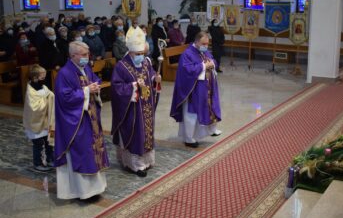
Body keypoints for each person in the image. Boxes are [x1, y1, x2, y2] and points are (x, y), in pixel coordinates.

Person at [54, 41, 109, 199]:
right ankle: (84, 191)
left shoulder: (85, 68)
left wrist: (96, 87)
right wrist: (86, 91)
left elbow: (95, 80)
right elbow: (64, 98)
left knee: (93, 151)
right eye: (84, 55)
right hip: (77, 122)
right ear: (73, 55)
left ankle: (96, 188)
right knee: (83, 152)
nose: (87, 57)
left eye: (87, 54)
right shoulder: (64, 73)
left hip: (90, 118)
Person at [111, 26, 161, 177]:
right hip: (131, 108)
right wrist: (133, 87)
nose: (141, 56)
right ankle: (135, 165)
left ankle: (147, 161)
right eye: (138, 54)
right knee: (135, 134)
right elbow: (116, 88)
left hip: (146, 105)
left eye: (143, 53)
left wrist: (155, 79)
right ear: (131, 52)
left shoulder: (146, 62)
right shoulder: (121, 66)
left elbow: (150, 76)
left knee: (146, 132)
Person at [170, 31, 222, 148]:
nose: (206, 46)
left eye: (208, 44)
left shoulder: (204, 51)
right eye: (204, 43)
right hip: (192, 90)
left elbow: (213, 60)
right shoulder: (187, 54)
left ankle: (204, 132)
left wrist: (212, 63)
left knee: (206, 110)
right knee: (191, 113)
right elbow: (186, 71)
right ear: (197, 41)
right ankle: (188, 138)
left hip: (205, 89)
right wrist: (204, 66)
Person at [23, 64, 54, 172]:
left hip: (46, 121)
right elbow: (34, 107)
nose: (44, 79)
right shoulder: (31, 91)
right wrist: (47, 99)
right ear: (35, 77)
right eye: (42, 77)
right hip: (35, 122)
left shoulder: (43, 87)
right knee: (38, 144)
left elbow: (50, 95)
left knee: (49, 141)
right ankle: (38, 163)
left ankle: (50, 159)